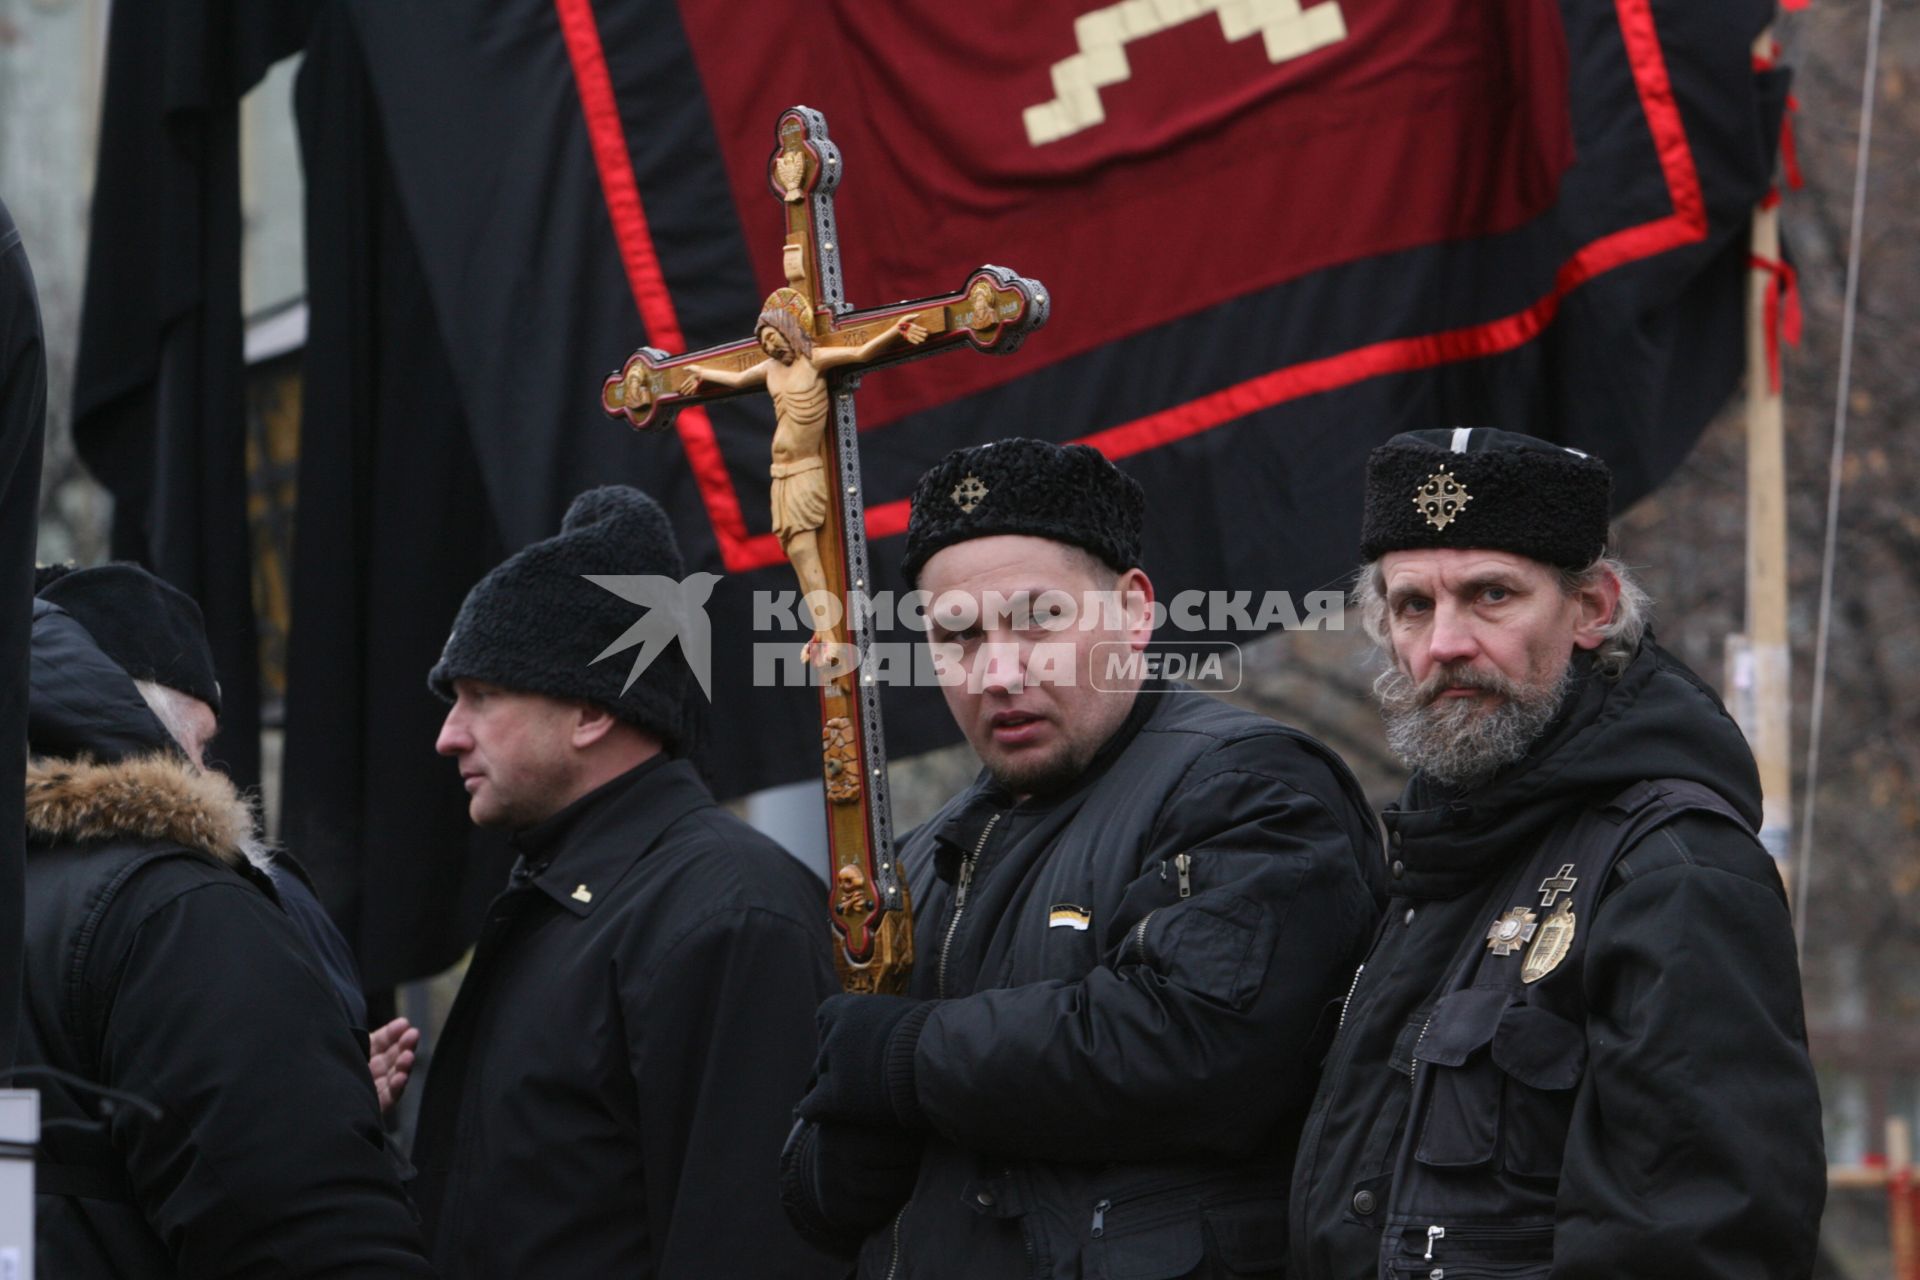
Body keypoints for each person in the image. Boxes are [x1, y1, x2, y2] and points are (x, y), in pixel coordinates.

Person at [780, 438, 1386, 1278]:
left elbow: (1193, 1047)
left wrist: (904, 1059)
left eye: (1039, 620)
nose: (999, 670)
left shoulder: (1247, 786)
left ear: (1135, 610)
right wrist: (839, 1164)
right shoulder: (916, 860)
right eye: (957, 637)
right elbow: (819, 1162)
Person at [1289, 428, 1825, 1279]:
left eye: (1492, 595)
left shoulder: (1675, 867)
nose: (1447, 643)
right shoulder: (1437, 853)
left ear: (1593, 608)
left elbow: (1698, 1245)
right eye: (1413, 605)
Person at [415, 484, 842, 1279]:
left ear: (590, 712)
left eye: (481, 696)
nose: (449, 735)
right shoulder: (569, 898)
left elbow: (754, 1243)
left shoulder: (728, 913)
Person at [21, 564, 434, 1277]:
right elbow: (310, 1236)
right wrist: (305, 1118)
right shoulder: (172, 906)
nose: (212, 776)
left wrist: (310, 1090)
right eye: (201, 746)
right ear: (128, 720)